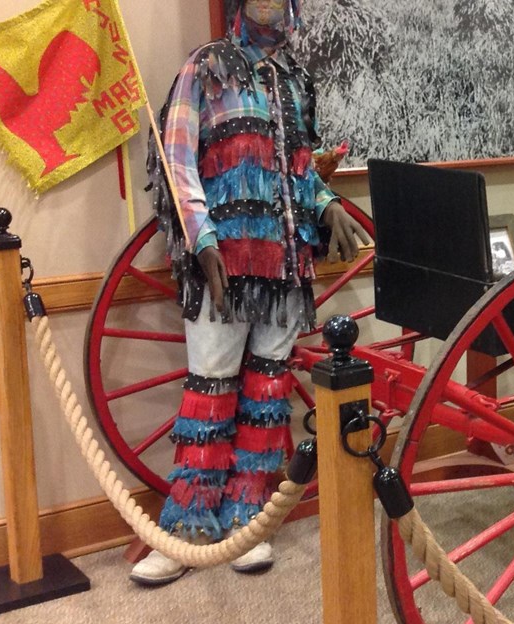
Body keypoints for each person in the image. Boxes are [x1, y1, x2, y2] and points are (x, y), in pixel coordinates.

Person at [131, 0, 371, 585]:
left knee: (268, 390)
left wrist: (327, 201)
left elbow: (299, 169)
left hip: (286, 267)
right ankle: (188, 525)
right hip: (224, 264)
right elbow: (178, 162)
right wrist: (201, 238)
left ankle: (249, 519)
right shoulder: (206, 69)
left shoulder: (294, 80)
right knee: (209, 389)